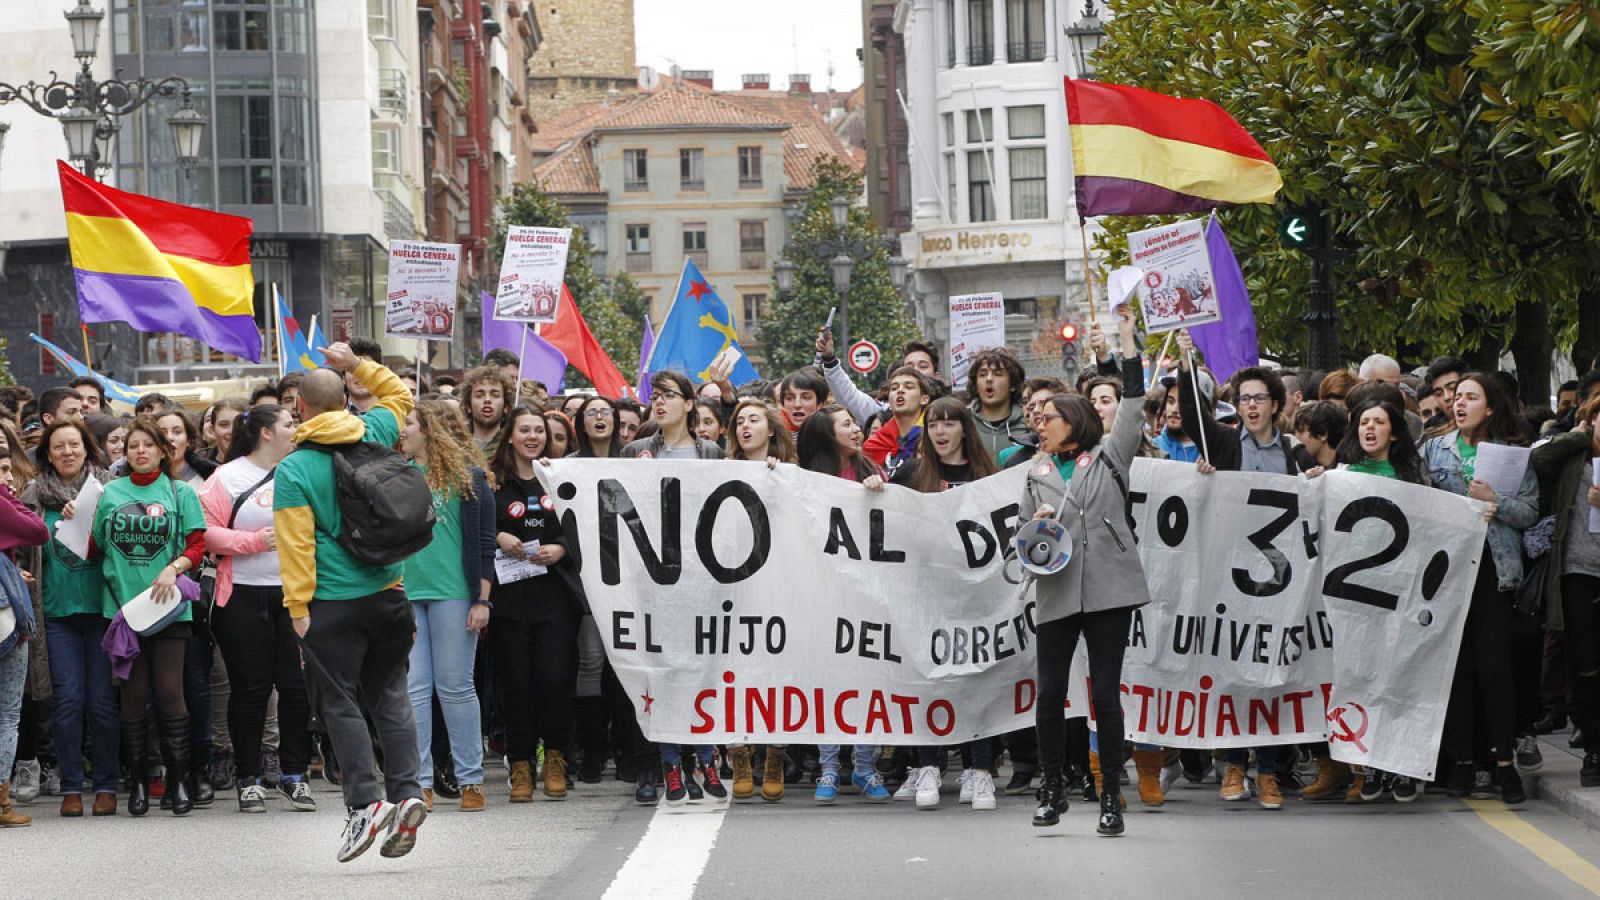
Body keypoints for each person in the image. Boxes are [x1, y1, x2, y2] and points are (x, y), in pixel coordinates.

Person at [274, 342, 427, 862]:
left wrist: (298, 609)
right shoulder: (376, 430)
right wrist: (357, 364)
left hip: (332, 603)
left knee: (339, 702)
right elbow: (398, 394)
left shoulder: (295, 469)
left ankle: (366, 803)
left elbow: (295, 547)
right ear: (344, 400)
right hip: (389, 592)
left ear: (299, 407)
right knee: (391, 696)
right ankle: (407, 791)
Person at [1023, 309, 1147, 837]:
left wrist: (1126, 343)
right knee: (1050, 694)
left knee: (1105, 696)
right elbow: (1023, 538)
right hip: (1056, 589)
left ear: (1073, 420)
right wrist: (1036, 525)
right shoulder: (1036, 470)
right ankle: (1053, 787)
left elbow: (1134, 405)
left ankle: (1110, 794)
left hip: (1108, 589)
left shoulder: (1111, 454)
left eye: (1048, 417)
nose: (1040, 424)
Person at [1422, 373, 1539, 804]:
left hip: (1494, 570)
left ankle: (1505, 763)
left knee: (1494, 668)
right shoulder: (1433, 449)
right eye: (1457, 397)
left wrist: (1496, 503)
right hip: (1449, 570)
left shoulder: (1512, 455)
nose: (1459, 403)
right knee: (1458, 670)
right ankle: (1464, 762)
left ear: (1489, 408)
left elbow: (1530, 513)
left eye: (1471, 397)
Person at [87, 416, 207, 817]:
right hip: (123, 612)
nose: (140, 451)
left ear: (162, 450)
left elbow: (198, 546)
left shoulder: (180, 492)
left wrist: (174, 568)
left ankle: (178, 781)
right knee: (133, 696)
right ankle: (138, 782)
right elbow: (95, 546)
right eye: (133, 445)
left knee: (171, 693)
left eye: (148, 445)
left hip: (169, 607)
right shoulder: (109, 492)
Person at [200, 404, 316, 814]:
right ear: (266, 432)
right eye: (288, 424)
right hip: (241, 596)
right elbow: (203, 532)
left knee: (297, 688)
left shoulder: (302, 471)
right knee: (250, 690)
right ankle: (247, 778)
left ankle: (294, 774)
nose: (295, 429)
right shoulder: (226, 477)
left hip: (294, 595)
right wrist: (253, 542)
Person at [889, 397, 1000, 810]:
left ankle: (980, 770)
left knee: (977, 680)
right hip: (925, 596)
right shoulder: (912, 473)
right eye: (934, 423)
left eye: (949, 423)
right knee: (928, 679)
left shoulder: (986, 476)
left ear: (964, 430)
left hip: (976, 596)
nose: (940, 431)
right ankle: (928, 765)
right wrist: (874, 491)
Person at [399, 398, 494, 813]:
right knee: (414, 689)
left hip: (455, 593)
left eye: (409, 423)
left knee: (456, 687)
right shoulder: (397, 475)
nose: (402, 430)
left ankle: (471, 779)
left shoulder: (469, 477)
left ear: (431, 429)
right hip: (405, 593)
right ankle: (419, 783)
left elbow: (485, 543)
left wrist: (482, 599)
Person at [488, 407, 587, 802]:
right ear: (510, 436)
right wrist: (498, 536)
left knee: (555, 679)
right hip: (509, 600)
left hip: (555, 598)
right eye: (524, 430)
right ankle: (521, 764)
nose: (532, 437)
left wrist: (561, 548)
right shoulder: (493, 480)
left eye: (539, 431)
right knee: (516, 682)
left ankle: (557, 758)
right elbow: (474, 524)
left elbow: (583, 524)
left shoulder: (559, 476)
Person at [18, 422, 114, 818]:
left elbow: (124, 543)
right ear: (47, 453)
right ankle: (71, 787)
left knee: (103, 704)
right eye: (59, 446)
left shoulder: (110, 490)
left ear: (87, 448)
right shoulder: (32, 496)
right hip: (56, 616)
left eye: (74, 444)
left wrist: (95, 516)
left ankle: (106, 785)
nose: (67, 452)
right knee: (68, 702)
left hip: (102, 613)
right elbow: (17, 549)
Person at [796, 405, 892, 803]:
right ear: (827, 435)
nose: (857, 430)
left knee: (867, 681)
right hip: (822, 596)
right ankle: (829, 767)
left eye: (855, 423)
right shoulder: (804, 480)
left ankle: (865, 767)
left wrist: (878, 493)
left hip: (867, 598)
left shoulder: (872, 470)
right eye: (847, 425)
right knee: (828, 682)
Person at [1531, 395, 1600, 788]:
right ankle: (1593, 747)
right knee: (1586, 664)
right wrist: (1577, 436)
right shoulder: (1575, 457)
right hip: (1577, 572)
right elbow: (1536, 459)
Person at [0, 472, 47, 828]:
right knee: (7, 714)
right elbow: (38, 531)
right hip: (4, 617)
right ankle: (1, 803)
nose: (7, 477)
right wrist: (7, 495)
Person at [624, 372, 725, 460]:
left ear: (688, 404)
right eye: (655, 396)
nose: (659, 401)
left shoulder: (712, 452)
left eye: (669, 395)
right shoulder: (634, 450)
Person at [861, 366, 936, 475]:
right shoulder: (874, 445)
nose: (900, 390)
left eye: (909, 387)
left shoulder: (934, 437)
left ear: (924, 399)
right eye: (894, 388)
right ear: (889, 401)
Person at [966, 348, 1027, 459]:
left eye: (998, 374)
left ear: (1013, 385)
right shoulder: (964, 421)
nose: (989, 379)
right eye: (982, 374)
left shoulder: (1028, 422)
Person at [727, 399, 798, 464]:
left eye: (753, 420)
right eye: (740, 422)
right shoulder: (726, 465)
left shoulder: (787, 467)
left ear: (770, 430)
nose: (745, 425)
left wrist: (778, 470)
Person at [461, 366, 513, 452]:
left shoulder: (512, 447)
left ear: (506, 406)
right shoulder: (455, 445)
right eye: (479, 395)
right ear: (469, 405)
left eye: (495, 395)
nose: (487, 400)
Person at [200, 398, 248, 463]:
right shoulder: (199, 466)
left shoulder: (260, 465)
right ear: (213, 429)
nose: (232, 431)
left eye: (239, 424)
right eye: (224, 425)